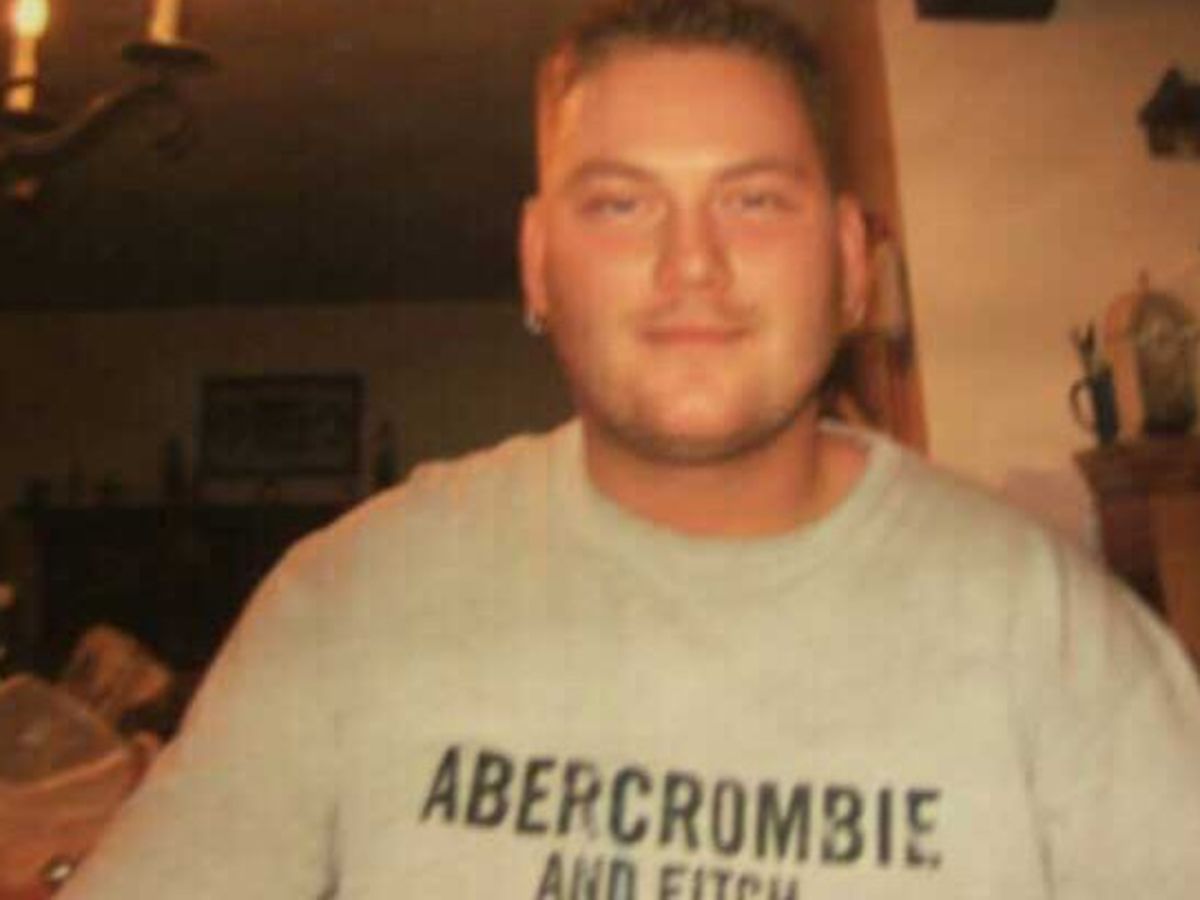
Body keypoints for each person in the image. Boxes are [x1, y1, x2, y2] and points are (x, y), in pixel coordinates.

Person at [61, 1, 1200, 897]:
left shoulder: (1056, 637)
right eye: (619, 205)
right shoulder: (345, 599)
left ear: (854, 262)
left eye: (755, 201)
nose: (691, 264)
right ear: (537, 261)